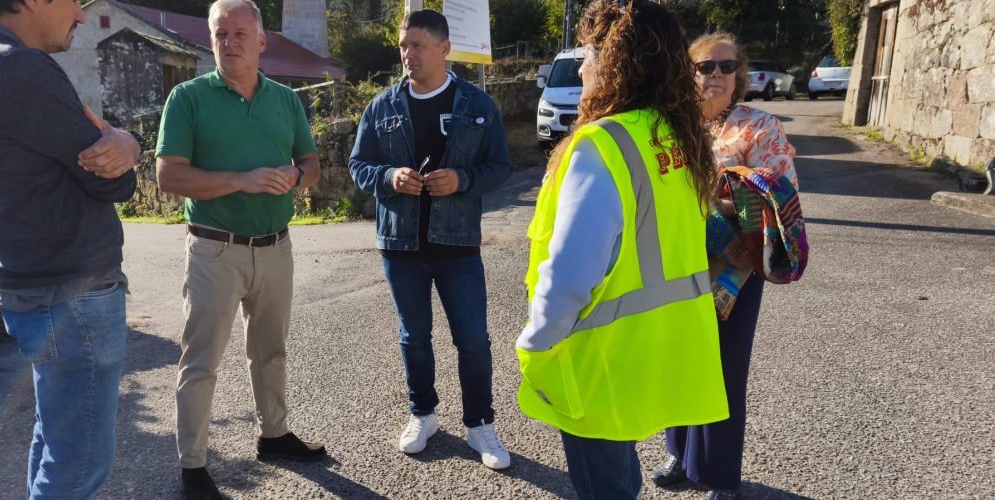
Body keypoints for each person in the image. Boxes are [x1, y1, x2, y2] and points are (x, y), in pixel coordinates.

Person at [514, 1, 730, 499]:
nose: (582, 69)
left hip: (602, 354)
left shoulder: (602, 143)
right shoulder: (675, 134)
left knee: (604, 483)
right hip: (658, 345)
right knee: (619, 473)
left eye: (589, 56)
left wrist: (536, 340)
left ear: (614, 64)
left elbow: (570, 275)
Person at [0, 0, 143, 498]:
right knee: (79, 462)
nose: (80, 15)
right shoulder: (15, 67)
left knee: (57, 436)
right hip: (71, 294)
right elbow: (114, 182)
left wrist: (125, 142)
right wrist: (129, 143)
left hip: (41, 290)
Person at [154, 0, 325, 498]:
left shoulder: (286, 100)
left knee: (271, 352)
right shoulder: (187, 98)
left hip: (276, 247)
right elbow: (168, 176)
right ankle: (193, 466)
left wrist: (296, 174)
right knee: (201, 361)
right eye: (220, 34)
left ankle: (274, 435)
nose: (229, 43)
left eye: (240, 34)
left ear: (261, 42)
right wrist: (240, 181)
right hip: (215, 249)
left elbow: (311, 163)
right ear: (210, 40)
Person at [348, 9, 513, 470]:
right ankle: (423, 414)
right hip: (400, 246)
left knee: (473, 339)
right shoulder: (382, 106)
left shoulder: (477, 105)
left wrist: (462, 179)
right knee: (413, 337)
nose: (408, 54)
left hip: (457, 245)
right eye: (404, 45)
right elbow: (359, 165)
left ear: (444, 49)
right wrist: (389, 177)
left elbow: (500, 167)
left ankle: (480, 424)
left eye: (417, 45)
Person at [651, 33, 800, 500]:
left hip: (734, 268)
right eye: (705, 66)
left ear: (740, 75)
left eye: (726, 66)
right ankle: (679, 452)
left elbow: (778, 193)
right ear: (688, 73)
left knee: (723, 368)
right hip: (677, 261)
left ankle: (718, 475)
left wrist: (716, 199)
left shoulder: (760, 127)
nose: (716, 74)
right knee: (679, 357)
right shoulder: (673, 125)